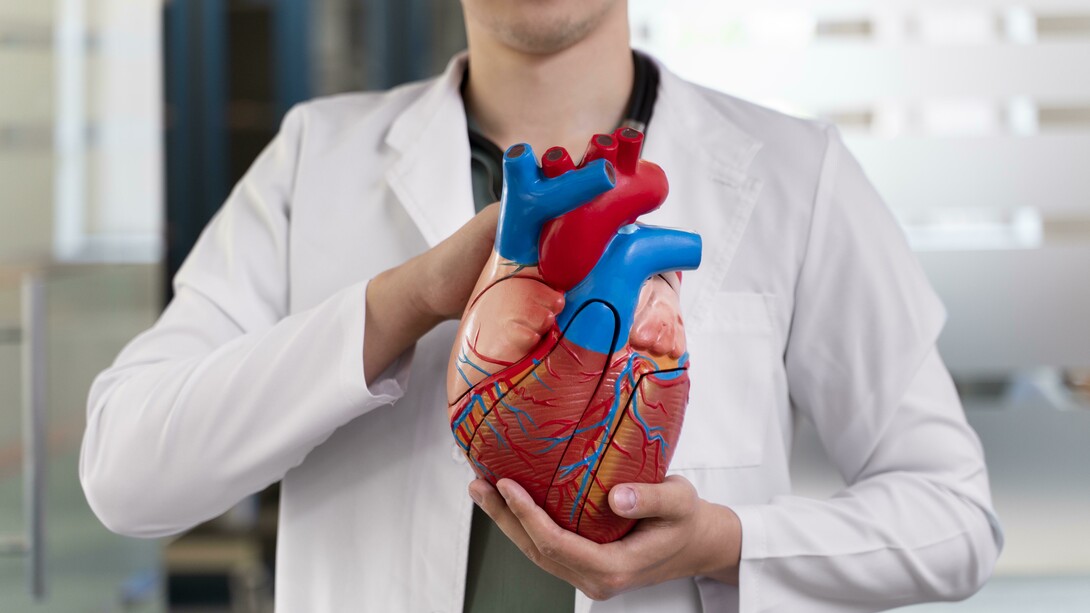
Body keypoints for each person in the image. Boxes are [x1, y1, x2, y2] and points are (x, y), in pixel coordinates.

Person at [80, 1, 1003, 611]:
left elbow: (952, 515)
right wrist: (406, 303)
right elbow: (126, 473)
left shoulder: (800, 175)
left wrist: (725, 540)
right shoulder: (314, 159)